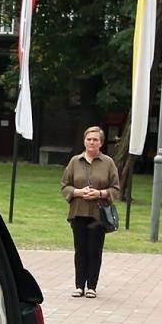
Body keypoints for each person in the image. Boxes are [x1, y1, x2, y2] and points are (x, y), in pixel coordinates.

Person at [61, 126, 121, 298]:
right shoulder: (74, 161)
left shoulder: (108, 163)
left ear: (101, 143)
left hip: (97, 213)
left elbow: (116, 189)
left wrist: (99, 193)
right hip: (78, 211)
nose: (92, 142)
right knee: (80, 250)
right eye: (89, 139)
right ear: (84, 141)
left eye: (95, 139)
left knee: (94, 250)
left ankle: (92, 286)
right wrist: (78, 192)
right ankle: (79, 285)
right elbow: (65, 185)